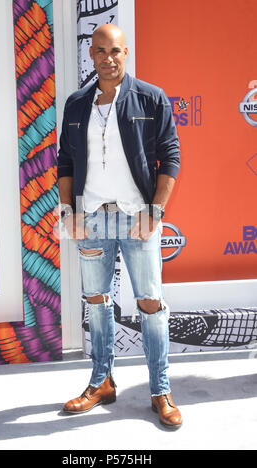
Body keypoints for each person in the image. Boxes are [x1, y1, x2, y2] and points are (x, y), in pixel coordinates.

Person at [57, 24, 182, 429]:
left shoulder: (151, 97)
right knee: (96, 303)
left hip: (137, 218)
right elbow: (65, 163)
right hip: (91, 218)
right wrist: (68, 211)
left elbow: (171, 156)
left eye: (115, 51)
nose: (107, 58)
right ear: (90, 55)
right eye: (99, 51)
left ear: (125, 53)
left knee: (150, 305)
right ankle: (101, 382)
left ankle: (160, 390)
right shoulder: (76, 104)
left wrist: (156, 211)